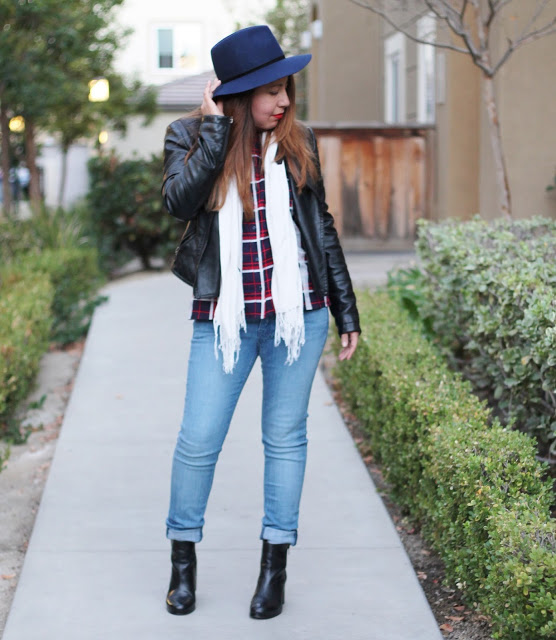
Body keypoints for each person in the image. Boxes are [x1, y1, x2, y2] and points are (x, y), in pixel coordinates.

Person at [161, 25, 360, 620]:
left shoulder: (300, 141)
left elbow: (319, 225)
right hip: (225, 318)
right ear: (240, 94)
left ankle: (274, 569)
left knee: (285, 441)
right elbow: (178, 202)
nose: (284, 101)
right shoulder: (189, 134)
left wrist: (345, 306)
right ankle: (182, 563)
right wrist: (218, 130)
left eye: (286, 89)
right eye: (271, 91)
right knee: (198, 441)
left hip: (298, 316)